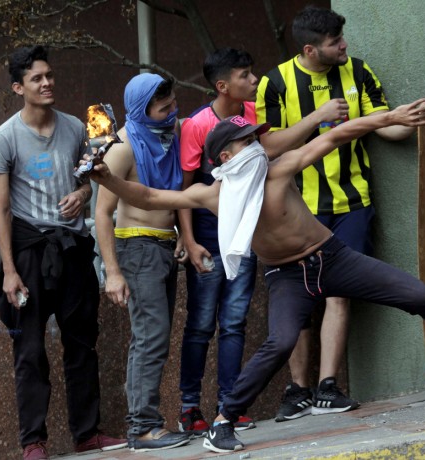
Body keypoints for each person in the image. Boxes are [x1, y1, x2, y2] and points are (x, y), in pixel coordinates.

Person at [87, 106, 425, 453]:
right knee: (280, 341)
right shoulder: (212, 196)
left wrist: (391, 117)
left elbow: (334, 136)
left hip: (333, 258)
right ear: (225, 158)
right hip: (287, 276)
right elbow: (149, 196)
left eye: (257, 138)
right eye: (247, 141)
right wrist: (108, 179)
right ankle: (223, 422)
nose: (257, 146)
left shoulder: (278, 169)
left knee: (422, 296)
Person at [256, 5, 425, 420]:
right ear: (310, 49)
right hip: (298, 211)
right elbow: (267, 147)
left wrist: (414, 118)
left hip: (353, 204)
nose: (344, 45)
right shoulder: (274, 82)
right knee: (300, 302)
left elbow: (385, 125)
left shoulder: (358, 70)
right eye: (335, 41)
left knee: (339, 294)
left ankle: (327, 387)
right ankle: (297, 389)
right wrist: (317, 118)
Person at [0, 46, 126, 460]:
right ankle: (33, 442)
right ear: (18, 87)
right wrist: (9, 271)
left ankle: (87, 433)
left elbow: (86, 181)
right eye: (36, 78)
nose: (46, 83)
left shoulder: (76, 127)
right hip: (28, 251)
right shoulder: (3, 138)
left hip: (73, 248)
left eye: (49, 75)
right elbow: (1, 210)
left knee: (82, 342)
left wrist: (81, 195)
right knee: (29, 350)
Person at [94, 72, 191, 452]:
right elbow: (103, 213)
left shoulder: (169, 135)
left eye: (173, 104)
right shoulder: (122, 148)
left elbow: (176, 193)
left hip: (164, 245)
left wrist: (182, 235)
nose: (172, 112)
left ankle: (146, 423)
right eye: (163, 108)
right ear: (141, 109)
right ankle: (143, 427)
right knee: (150, 337)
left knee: (156, 336)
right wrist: (113, 273)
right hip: (136, 247)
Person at [176, 48, 260, 436]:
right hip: (208, 235)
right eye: (245, 75)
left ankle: (231, 405)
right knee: (200, 324)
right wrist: (189, 239)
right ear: (223, 85)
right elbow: (185, 189)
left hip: (244, 233)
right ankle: (189, 407)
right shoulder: (197, 124)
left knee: (235, 321)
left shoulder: (253, 114)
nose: (254, 80)